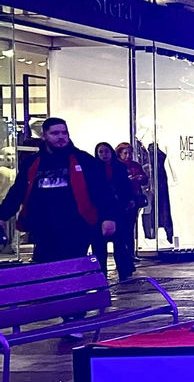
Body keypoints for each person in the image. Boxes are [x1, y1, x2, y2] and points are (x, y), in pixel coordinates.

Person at [0, 117, 116, 264]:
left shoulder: (84, 160)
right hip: (43, 227)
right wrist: (3, 216)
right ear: (44, 135)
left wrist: (108, 217)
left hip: (77, 226)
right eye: (55, 133)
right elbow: (18, 192)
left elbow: (103, 190)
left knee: (73, 267)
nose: (61, 137)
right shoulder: (31, 163)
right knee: (47, 268)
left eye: (64, 133)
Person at [92, 142, 138, 281]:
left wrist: (130, 199)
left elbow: (125, 185)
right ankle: (101, 275)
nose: (104, 155)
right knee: (99, 245)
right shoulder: (94, 168)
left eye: (106, 151)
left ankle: (124, 271)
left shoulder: (119, 167)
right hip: (100, 210)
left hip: (119, 208)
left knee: (121, 242)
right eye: (101, 152)